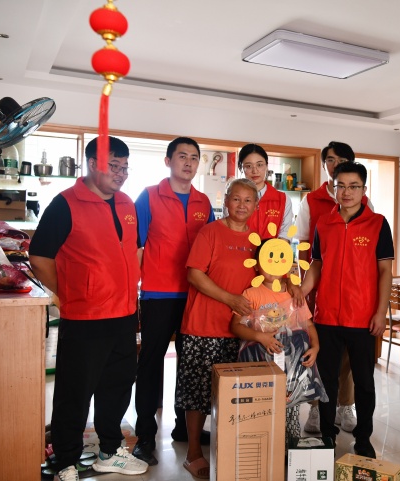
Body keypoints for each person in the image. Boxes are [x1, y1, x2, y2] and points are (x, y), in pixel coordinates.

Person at [29, 137, 148, 481]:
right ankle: (65, 460)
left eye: (125, 167)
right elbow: (39, 257)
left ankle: (110, 451)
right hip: (85, 316)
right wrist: (67, 293)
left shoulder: (126, 203)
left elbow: (135, 250)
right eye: (114, 166)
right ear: (92, 164)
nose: (121, 173)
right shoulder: (66, 203)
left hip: (124, 313)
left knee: (117, 386)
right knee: (74, 392)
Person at [301, 161, 393, 458]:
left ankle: (363, 438)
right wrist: (301, 291)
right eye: (341, 186)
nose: (347, 192)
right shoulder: (323, 223)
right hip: (327, 316)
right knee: (326, 381)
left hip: (362, 318)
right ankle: (327, 435)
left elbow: (385, 271)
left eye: (354, 186)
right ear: (334, 188)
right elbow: (317, 263)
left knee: (364, 382)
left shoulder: (378, 224)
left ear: (364, 189)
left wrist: (380, 312)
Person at [132, 137, 215, 466]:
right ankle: (144, 436)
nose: (188, 162)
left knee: (190, 363)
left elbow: (212, 248)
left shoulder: (203, 202)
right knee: (150, 364)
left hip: (194, 295)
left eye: (194, 157)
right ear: (168, 161)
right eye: (182, 156)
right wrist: (132, 289)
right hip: (157, 294)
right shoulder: (149, 196)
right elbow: (136, 246)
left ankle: (184, 428)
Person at [175, 178, 258, 479]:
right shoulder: (209, 232)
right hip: (203, 325)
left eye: (248, 200)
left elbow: (268, 277)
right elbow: (195, 275)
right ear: (225, 201)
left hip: (240, 330)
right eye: (236, 198)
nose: (241, 205)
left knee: (234, 395)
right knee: (197, 392)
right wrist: (230, 299)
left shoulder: (258, 241)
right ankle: (193, 452)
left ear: (255, 205)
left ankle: (228, 448)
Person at [295, 141, 373, 434]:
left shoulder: (367, 205)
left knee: (349, 361)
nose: (335, 164)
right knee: (319, 353)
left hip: (355, 298)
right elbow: (305, 248)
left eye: (341, 159)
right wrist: (303, 287)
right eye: (330, 159)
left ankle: (345, 405)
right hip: (319, 290)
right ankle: (317, 409)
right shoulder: (311, 201)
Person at [230, 239, 319, 445]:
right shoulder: (251, 294)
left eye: (281, 258)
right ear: (257, 264)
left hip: (291, 370)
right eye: (268, 258)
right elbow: (236, 326)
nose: (274, 264)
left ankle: (289, 451)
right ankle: (266, 449)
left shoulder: (294, 294)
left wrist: (316, 347)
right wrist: (260, 336)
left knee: (290, 413)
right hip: (261, 366)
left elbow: (309, 325)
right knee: (262, 411)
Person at [236, 143, 293, 239]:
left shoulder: (283, 200)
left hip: (273, 249)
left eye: (259, 165)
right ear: (241, 168)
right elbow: (229, 232)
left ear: (266, 166)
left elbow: (285, 235)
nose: (255, 171)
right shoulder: (233, 199)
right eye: (248, 166)